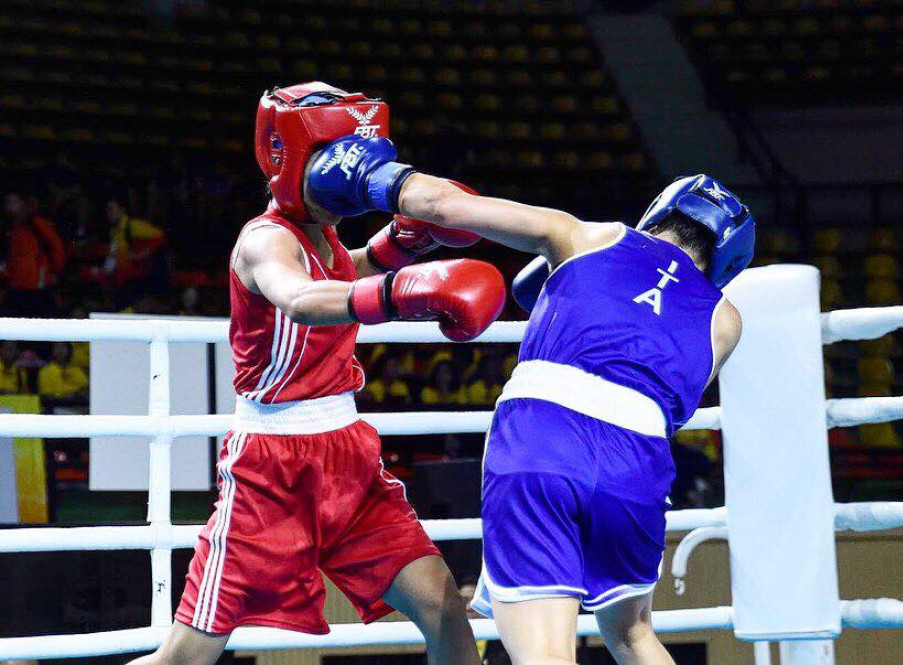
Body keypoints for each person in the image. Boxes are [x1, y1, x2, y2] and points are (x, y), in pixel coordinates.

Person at [303, 135, 753, 664]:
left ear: (660, 212)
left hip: (544, 439)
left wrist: (369, 177)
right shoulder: (726, 321)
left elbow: (441, 205)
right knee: (633, 636)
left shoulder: (590, 235)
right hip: (637, 462)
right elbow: (667, 385)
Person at [130, 82, 505, 665]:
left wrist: (396, 250)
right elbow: (301, 298)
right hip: (271, 467)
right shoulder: (263, 240)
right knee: (185, 658)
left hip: (348, 458)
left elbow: (338, 274)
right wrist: (399, 292)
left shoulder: (322, 235)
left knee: (442, 606)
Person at [2, 192, 65, 317]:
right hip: (16, 288)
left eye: (13, 202)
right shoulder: (9, 228)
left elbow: (57, 249)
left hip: (38, 288)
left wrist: (54, 272)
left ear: (23, 203)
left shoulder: (38, 224)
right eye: (7, 203)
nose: (9, 206)